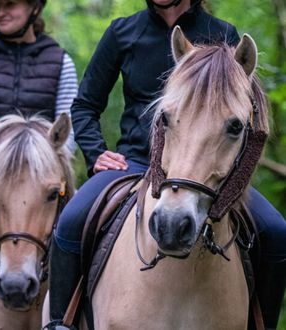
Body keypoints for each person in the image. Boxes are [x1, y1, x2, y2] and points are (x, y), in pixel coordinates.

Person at [45, 0, 286, 329]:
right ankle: (60, 322)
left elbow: (245, 118)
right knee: (72, 219)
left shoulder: (222, 35)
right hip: (132, 163)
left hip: (205, 173)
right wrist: (96, 151)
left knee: (275, 231)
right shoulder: (122, 32)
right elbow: (85, 105)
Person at [0, 0, 77, 206]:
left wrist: (43, 169)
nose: (0, 13)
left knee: (82, 221)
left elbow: (69, 130)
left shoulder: (61, 62)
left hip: (42, 180)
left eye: (9, 4)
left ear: (35, 8)